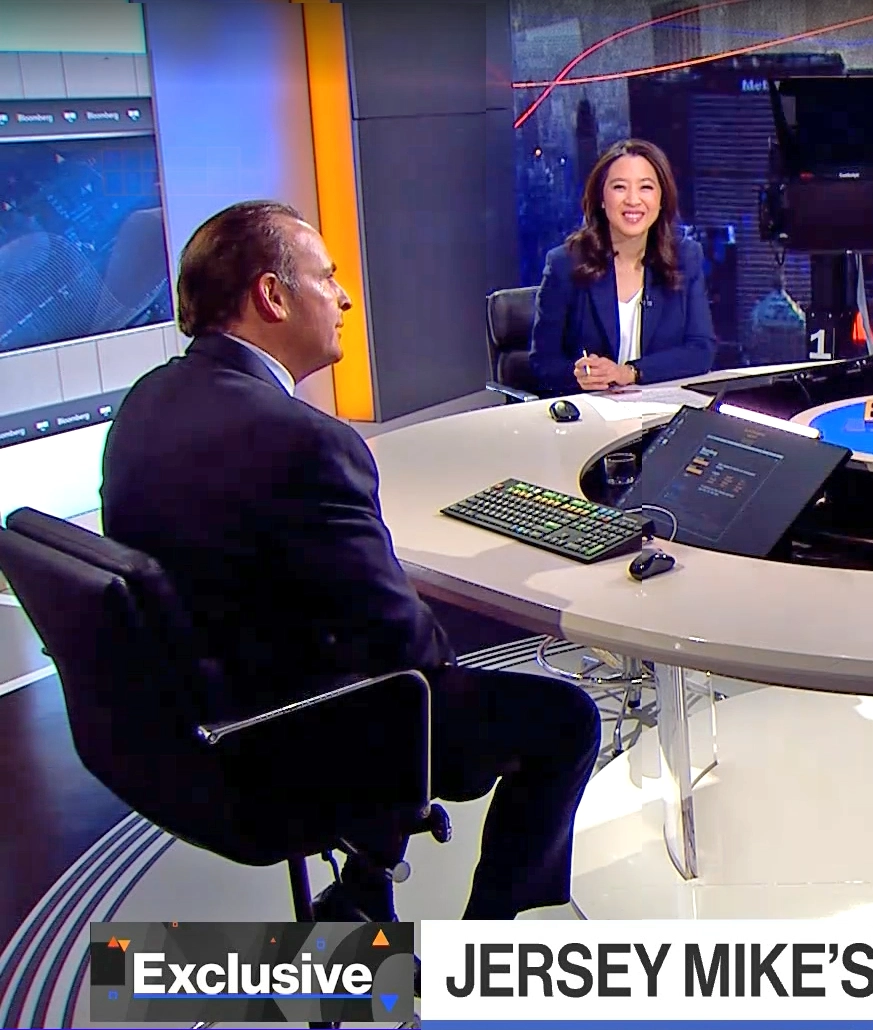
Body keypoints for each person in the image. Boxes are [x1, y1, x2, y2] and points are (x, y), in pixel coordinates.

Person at [100, 200, 602, 920]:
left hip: (193, 731)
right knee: (564, 718)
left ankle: (363, 895)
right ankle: (493, 956)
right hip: (292, 736)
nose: (342, 297)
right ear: (272, 296)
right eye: (326, 277)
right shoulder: (304, 439)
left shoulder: (148, 401)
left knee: (360, 659)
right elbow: (406, 646)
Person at [529, 138, 716, 396]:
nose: (633, 200)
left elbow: (701, 350)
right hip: (589, 419)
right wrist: (579, 377)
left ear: (662, 199)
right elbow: (542, 364)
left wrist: (630, 372)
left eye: (646, 187)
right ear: (602, 199)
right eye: (619, 187)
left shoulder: (685, 257)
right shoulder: (565, 264)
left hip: (662, 412)